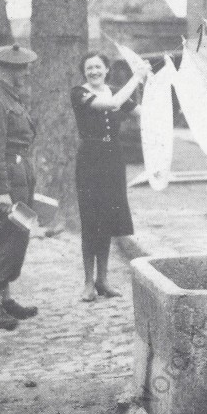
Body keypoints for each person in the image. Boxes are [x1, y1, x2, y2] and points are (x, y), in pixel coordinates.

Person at [71, 53, 150, 301]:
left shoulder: (115, 90)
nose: (94, 71)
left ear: (107, 70)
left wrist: (155, 85)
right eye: (89, 68)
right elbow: (112, 104)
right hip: (90, 159)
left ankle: (102, 281)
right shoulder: (79, 92)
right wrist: (137, 77)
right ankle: (87, 283)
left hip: (113, 158)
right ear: (84, 72)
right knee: (90, 218)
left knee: (107, 219)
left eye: (98, 67)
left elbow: (141, 112)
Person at [0, 43, 40, 331]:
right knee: (5, 238)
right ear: (8, 70)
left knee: (17, 236)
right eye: (22, 69)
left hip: (20, 173)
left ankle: (5, 299)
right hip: (8, 178)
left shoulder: (11, 98)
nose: (27, 73)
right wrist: (1, 190)